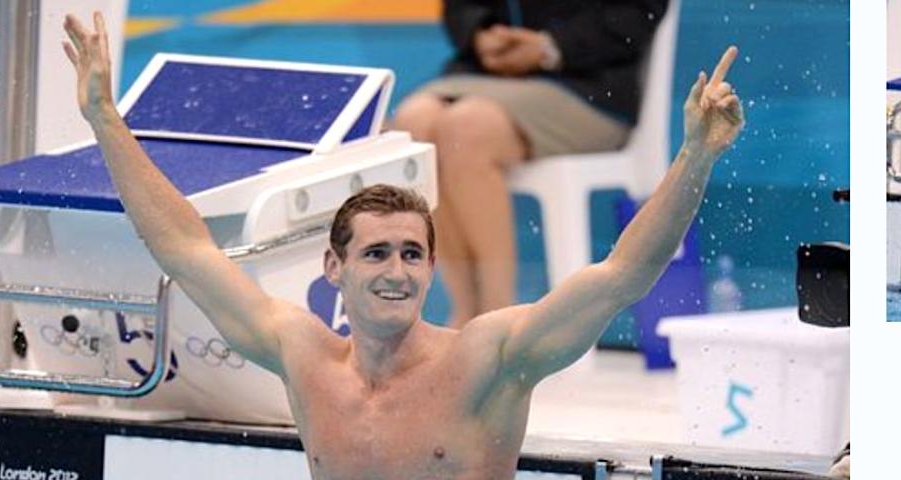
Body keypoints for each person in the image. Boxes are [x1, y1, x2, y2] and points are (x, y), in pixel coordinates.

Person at [63, 12, 743, 480]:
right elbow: (186, 247)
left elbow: (624, 274)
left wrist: (695, 157)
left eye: (412, 254)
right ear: (333, 268)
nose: (396, 272)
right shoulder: (304, 357)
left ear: (432, 267)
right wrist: (104, 119)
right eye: (377, 253)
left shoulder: (490, 361)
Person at [394, 0, 669, 327]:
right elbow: (460, 7)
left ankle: (497, 320)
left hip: (588, 86)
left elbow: (638, 13)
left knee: (466, 130)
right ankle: (464, 312)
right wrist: (481, 34)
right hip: (489, 75)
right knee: (414, 125)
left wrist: (549, 47)